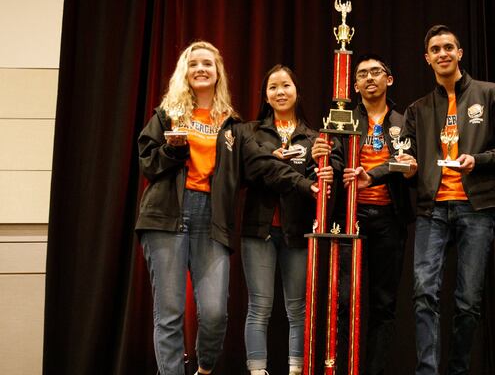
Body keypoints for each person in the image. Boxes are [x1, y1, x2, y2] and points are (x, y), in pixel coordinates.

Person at [136, 41, 323, 375]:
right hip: (165, 216)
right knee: (170, 313)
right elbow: (147, 162)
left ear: (218, 72)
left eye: (208, 63)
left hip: (213, 217)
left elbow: (263, 164)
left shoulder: (233, 124)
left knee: (214, 313)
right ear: (185, 71)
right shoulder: (168, 113)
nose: (201, 69)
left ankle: (204, 369)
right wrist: (173, 151)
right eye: (194, 64)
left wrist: (305, 184)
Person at [401, 25, 495, 375]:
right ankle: (428, 372)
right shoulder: (417, 109)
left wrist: (476, 160)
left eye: (449, 47)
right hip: (432, 208)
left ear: (460, 53)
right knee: (424, 294)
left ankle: (459, 370)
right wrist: (406, 167)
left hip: (476, 206)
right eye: (435, 49)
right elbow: (407, 158)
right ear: (427, 58)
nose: (443, 54)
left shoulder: (490, 93)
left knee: (467, 302)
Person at [239, 65, 341, 375]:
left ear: (297, 91)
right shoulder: (250, 132)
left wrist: (325, 169)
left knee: (299, 309)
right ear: (265, 96)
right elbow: (254, 172)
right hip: (259, 229)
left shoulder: (314, 137)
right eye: (273, 87)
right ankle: (258, 372)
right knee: (259, 308)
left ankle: (297, 370)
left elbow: (322, 181)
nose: (280, 92)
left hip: (298, 230)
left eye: (286, 85)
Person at [333, 54, 416, 375]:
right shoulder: (344, 119)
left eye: (376, 72)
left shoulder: (402, 120)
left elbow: (408, 163)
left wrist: (375, 173)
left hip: (388, 219)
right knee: (343, 303)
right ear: (354, 85)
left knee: (383, 306)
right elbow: (336, 160)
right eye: (362, 74)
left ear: (389, 79)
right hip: (348, 218)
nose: (369, 78)